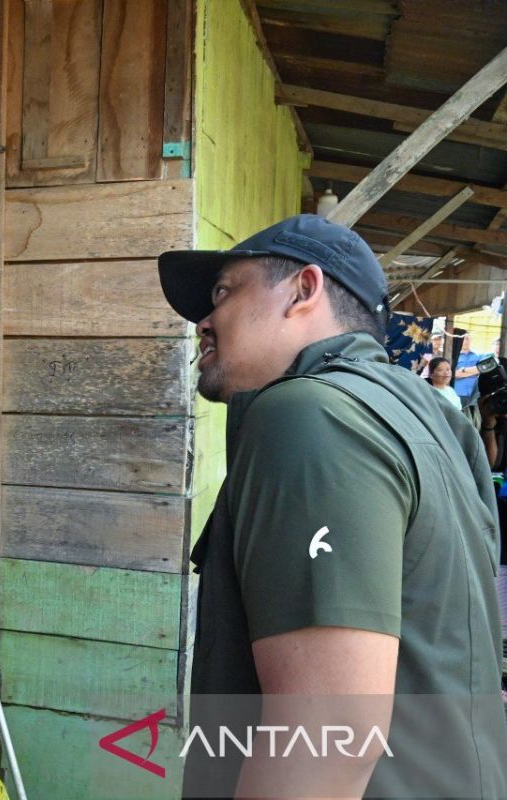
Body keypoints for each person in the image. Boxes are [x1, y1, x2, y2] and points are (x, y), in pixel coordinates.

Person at [158, 214, 507, 798]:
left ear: (304, 289)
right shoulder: (432, 415)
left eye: (222, 292)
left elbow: (328, 740)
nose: (204, 321)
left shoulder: (309, 414)